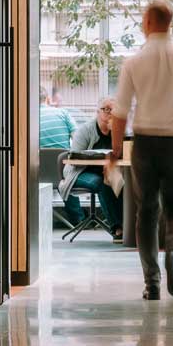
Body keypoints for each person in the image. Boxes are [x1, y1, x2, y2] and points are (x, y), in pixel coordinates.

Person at [108, 0, 173, 300]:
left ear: (149, 23)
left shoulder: (134, 62)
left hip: (145, 144)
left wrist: (116, 151)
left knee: (147, 212)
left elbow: (120, 113)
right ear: (170, 22)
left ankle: (152, 283)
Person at [58, 96, 123, 241]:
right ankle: (117, 228)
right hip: (80, 171)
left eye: (113, 110)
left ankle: (128, 226)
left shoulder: (118, 132)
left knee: (123, 184)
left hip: (108, 171)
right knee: (103, 183)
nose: (110, 113)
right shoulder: (85, 130)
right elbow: (74, 159)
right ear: (97, 112)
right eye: (106, 109)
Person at [38, 85, 77, 150]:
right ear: (48, 99)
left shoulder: (29, 118)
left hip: (37, 159)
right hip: (63, 158)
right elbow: (77, 138)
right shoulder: (63, 113)